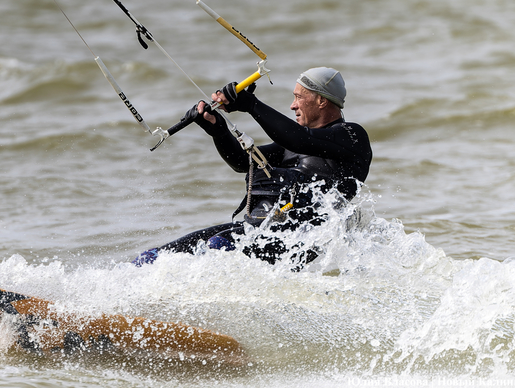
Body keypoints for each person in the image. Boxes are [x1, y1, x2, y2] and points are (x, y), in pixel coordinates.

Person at [134, 67, 372, 268]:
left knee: (219, 246)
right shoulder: (290, 144)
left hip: (305, 241)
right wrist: (217, 129)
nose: (292, 105)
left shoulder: (351, 136)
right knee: (157, 256)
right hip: (265, 228)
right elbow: (241, 163)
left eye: (299, 97)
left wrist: (251, 104)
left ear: (321, 100)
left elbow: (300, 139)